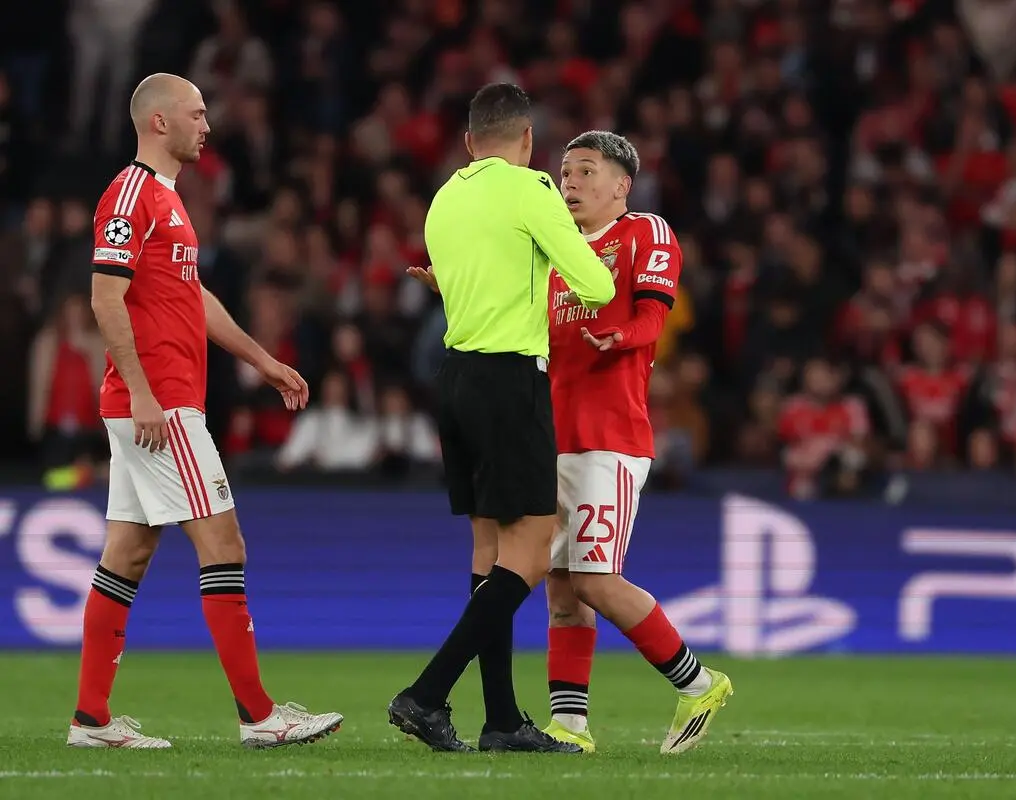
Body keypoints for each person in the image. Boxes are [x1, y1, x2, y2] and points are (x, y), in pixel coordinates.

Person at [70, 73, 343, 749]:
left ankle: (91, 721)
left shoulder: (167, 200)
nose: (207, 125)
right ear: (158, 122)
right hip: (159, 404)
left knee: (128, 555)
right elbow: (105, 298)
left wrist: (262, 360)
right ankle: (259, 717)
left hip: (154, 402)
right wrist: (140, 391)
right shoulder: (131, 194)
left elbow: (193, 298)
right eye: (196, 113)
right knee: (225, 546)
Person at [388, 83, 615, 753]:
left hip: (454, 378)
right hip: (508, 378)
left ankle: (500, 720)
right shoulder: (532, 190)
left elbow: (469, 285)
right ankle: (427, 695)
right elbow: (596, 286)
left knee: (489, 553)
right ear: (526, 141)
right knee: (532, 552)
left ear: (468, 142)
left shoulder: (446, 197)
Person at [541, 131, 733, 754]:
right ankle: (569, 727)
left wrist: (622, 336)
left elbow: (655, 312)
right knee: (562, 589)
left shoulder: (644, 231)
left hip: (611, 438)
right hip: (553, 435)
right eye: (566, 172)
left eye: (586, 172)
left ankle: (700, 681)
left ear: (622, 185)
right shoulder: (555, 250)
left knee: (596, 580)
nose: (570, 182)